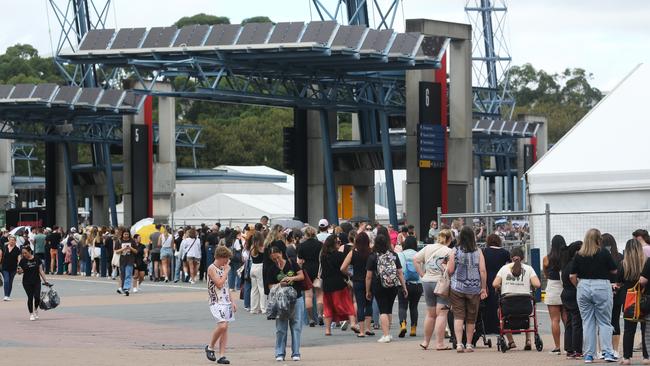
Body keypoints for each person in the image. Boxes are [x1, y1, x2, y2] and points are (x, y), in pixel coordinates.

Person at [569, 228, 618, 363]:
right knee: (604, 321)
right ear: (599, 239)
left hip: (583, 285)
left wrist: (578, 286)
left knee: (588, 322)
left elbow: (572, 275)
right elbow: (614, 269)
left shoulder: (579, 254)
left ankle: (589, 354)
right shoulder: (604, 253)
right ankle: (607, 352)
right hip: (602, 285)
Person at [447, 226, 488, 353]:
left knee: (458, 316)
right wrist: (483, 288)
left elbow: (450, 270)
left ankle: (459, 344)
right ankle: (469, 344)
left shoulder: (454, 250)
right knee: (471, 318)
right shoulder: (478, 251)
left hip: (457, 287)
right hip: (474, 288)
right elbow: (482, 270)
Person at [493, 246, 541, 350]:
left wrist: (502, 286)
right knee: (527, 315)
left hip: (508, 306)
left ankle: (511, 341)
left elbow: (495, 284)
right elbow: (537, 284)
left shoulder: (504, 269)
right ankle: (528, 340)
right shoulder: (528, 269)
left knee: (500, 312)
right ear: (523, 257)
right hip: (525, 306)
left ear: (511, 257)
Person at [414, 229, 453, 350]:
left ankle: (426, 342)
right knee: (441, 314)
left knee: (430, 314)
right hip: (441, 283)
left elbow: (415, 259)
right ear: (449, 239)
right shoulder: (449, 251)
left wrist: (422, 274)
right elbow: (451, 270)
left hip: (427, 282)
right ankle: (439, 343)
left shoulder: (428, 247)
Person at [365, 234, 408, 343]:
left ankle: (386, 335)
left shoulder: (373, 256)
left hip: (379, 285)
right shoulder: (393, 255)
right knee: (388, 309)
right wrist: (404, 287)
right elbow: (400, 272)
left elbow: (369, 276)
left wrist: (367, 290)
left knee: (382, 310)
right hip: (393, 285)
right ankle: (388, 332)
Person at [267, 245, 305, 361]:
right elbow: (269, 286)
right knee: (281, 328)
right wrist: (280, 284)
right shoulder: (271, 269)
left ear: (281, 254)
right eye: (274, 259)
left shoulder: (292, 263)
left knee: (296, 326)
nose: (277, 260)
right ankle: (279, 353)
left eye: (278, 257)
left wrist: (291, 278)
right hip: (281, 301)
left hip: (296, 298)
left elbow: (301, 276)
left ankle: (296, 353)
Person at [616, 238, 648, 365]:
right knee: (646, 329)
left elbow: (618, 282)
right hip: (645, 299)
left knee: (629, 330)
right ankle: (646, 357)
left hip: (629, 300)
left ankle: (627, 358)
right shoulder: (646, 262)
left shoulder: (623, 264)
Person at [319, 235, 358, 336]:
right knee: (347, 304)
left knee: (328, 307)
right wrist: (349, 275)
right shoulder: (339, 255)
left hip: (327, 285)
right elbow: (344, 269)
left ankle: (327, 330)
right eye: (338, 242)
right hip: (339, 283)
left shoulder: (323, 256)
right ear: (334, 244)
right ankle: (353, 323)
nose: (339, 244)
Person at [205, 245, 235, 365]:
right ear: (221, 257)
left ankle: (222, 355)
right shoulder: (211, 268)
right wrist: (227, 271)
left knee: (225, 329)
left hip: (226, 301)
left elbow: (226, 287)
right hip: (216, 301)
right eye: (226, 258)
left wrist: (232, 302)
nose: (227, 261)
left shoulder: (223, 267)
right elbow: (219, 284)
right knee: (222, 326)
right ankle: (210, 346)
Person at [341, 231, 374, 337]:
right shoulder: (371, 252)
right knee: (369, 304)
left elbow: (342, 268)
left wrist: (349, 274)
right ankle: (369, 328)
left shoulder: (353, 252)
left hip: (357, 281)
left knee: (360, 305)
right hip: (370, 281)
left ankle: (361, 331)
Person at [482, 233, 511, 335]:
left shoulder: (484, 252)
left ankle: (488, 326)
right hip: (500, 279)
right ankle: (500, 324)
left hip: (487, 278)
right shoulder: (504, 252)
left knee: (488, 303)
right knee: (500, 302)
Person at [601, 233, 623, 358]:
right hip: (617, 291)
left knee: (602, 321)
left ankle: (604, 349)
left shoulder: (599, 257)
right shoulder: (620, 257)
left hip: (603, 291)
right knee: (615, 320)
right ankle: (615, 350)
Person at [543, 235, 567, 354]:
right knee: (567, 319)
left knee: (554, 320)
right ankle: (570, 346)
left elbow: (546, 274)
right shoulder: (567, 257)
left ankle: (557, 347)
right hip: (565, 288)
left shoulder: (547, 258)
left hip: (553, 287)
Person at [397, 236, 423, 338]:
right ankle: (413, 329)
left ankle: (403, 325)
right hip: (417, 284)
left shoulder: (401, 254)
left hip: (404, 284)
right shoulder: (419, 254)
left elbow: (400, 270)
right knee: (414, 307)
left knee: (402, 306)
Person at [297, 226, 323, 327]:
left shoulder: (302, 246)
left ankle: (311, 318)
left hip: (306, 270)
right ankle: (320, 315)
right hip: (318, 271)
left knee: (308, 295)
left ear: (306, 235)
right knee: (319, 295)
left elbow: (299, 261)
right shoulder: (320, 245)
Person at [561, 241, 583, 360]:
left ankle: (569, 348)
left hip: (565, 293)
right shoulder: (575, 264)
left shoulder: (566, 264)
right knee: (577, 322)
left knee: (569, 322)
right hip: (573, 293)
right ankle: (577, 349)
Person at [17, 245, 50, 320]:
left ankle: (35, 309)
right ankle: (31, 314)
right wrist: (20, 271)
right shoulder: (23, 261)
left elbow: (41, 271)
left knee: (37, 297)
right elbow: (19, 271)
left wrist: (46, 280)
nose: (24, 255)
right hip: (26, 282)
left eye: (25, 253)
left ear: (29, 252)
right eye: (23, 253)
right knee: (30, 297)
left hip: (36, 281)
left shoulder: (37, 259)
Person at [115, 230, 137, 296]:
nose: (126, 236)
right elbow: (116, 251)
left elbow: (136, 251)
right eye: (125, 234)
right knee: (123, 275)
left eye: (127, 234)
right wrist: (123, 249)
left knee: (128, 274)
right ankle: (122, 288)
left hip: (130, 260)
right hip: (122, 260)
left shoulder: (132, 241)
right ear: (122, 234)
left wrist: (130, 248)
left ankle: (126, 288)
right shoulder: (119, 241)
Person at [249, 231, 266, 314]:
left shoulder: (252, 247)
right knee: (262, 288)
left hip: (253, 267)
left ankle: (253, 308)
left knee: (254, 289)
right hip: (260, 267)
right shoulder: (262, 247)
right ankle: (263, 308)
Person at [2, 235, 20, 301]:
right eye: (10, 240)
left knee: (10, 282)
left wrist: (19, 266)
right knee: (6, 280)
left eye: (13, 240)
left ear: (15, 241)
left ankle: (8, 295)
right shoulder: (5, 247)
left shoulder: (17, 249)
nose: (11, 241)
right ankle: (6, 295)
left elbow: (19, 258)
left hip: (13, 268)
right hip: (4, 267)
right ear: (8, 241)